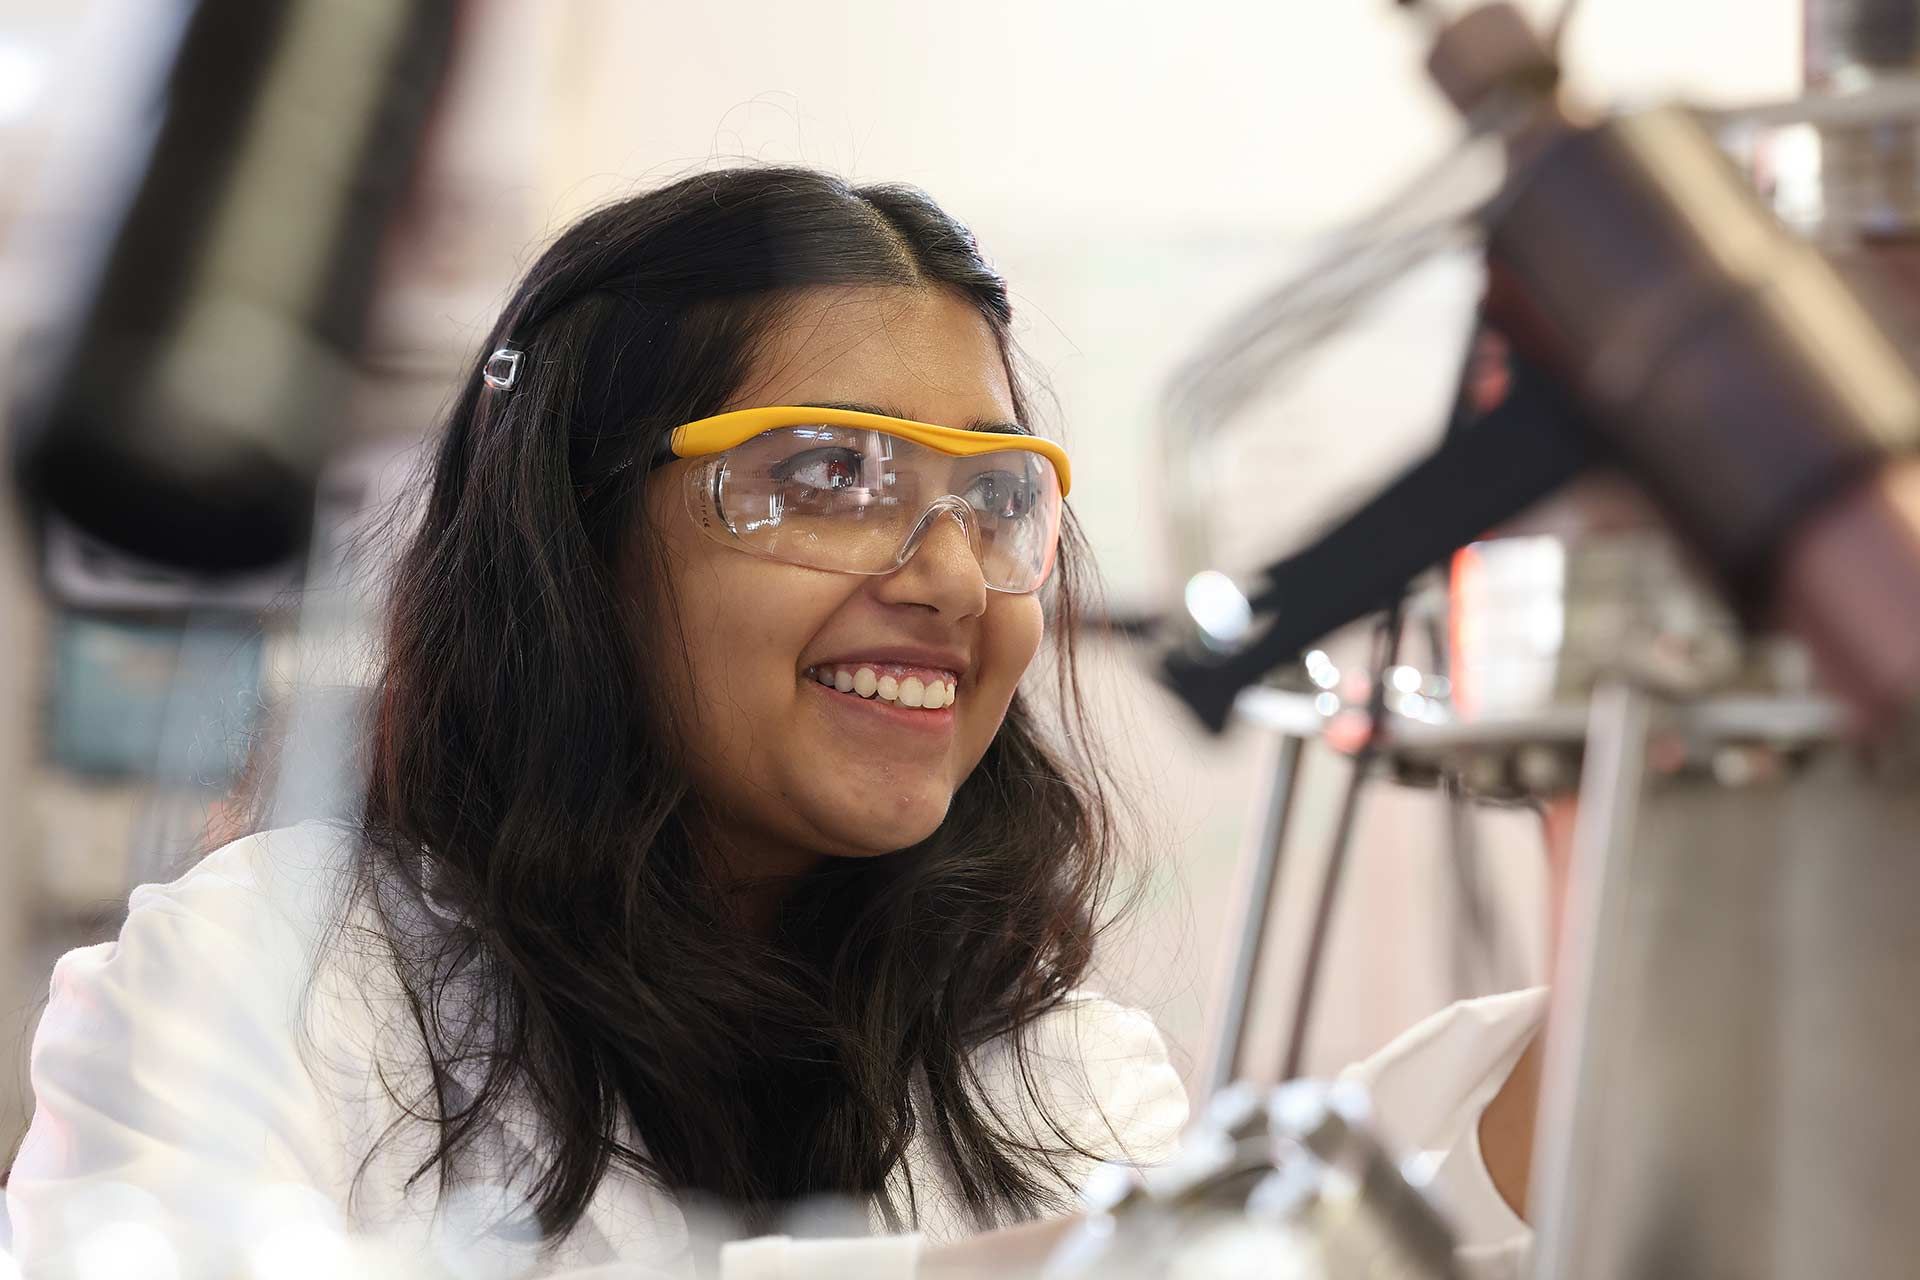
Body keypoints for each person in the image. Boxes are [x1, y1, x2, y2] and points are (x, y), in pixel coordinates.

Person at [5, 167, 1188, 1278]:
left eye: (992, 497)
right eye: (829, 474)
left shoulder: (1066, 1080)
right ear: (576, 531)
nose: (954, 582)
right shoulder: (261, 982)